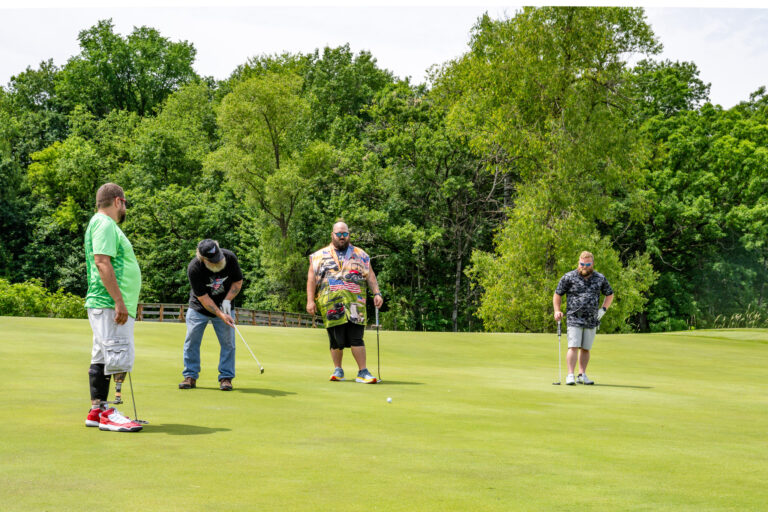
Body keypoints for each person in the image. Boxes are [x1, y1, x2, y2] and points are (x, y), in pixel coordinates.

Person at [84, 183, 144, 432]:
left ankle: (97, 410)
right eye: (125, 204)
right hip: (110, 303)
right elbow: (102, 262)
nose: (125, 210)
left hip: (107, 303)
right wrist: (119, 301)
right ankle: (108, 414)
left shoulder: (101, 223)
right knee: (116, 354)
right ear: (118, 201)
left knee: (101, 355)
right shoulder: (105, 224)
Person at [306, 220, 384, 384]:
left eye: (345, 234)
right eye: (339, 234)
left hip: (355, 303)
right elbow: (311, 279)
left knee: (357, 337)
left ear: (348, 235)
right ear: (332, 235)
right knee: (336, 340)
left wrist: (377, 293)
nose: (342, 237)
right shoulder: (318, 256)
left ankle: (363, 371)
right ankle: (338, 370)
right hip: (330, 304)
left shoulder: (361, 254)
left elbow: (370, 275)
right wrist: (310, 300)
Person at [179, 239, 243, 391]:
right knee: (192, 341)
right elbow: (203, 298)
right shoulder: (194, 267)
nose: (218, 261)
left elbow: (238, 281)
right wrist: (220, 314)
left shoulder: (230, 258)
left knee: (228, 343)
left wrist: (227, 300)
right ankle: (190, 376)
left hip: (225, 306)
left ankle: (226, 377)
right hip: (199, 308)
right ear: (203, 258)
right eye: (213, 260)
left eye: (218, 257)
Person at [553, 251, 614, 386]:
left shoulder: (600, 278)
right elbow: (558, 294)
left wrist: (603, 309)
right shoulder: (569, 277)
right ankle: (570, 375)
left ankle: (582, 375)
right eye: (582, 264)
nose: (584, 267)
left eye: (587, 264)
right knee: (573, 346)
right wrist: (557, 310)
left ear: (592, 264)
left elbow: (609, 294)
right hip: (574, 317)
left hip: (591, 319)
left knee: (586, 348)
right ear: (578, 263)